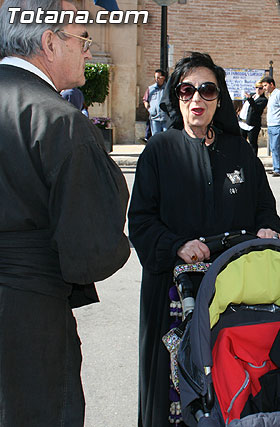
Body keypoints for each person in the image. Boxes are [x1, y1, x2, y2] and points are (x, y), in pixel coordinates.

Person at [128, 52, 280, 427]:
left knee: (230, 390)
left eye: (207, 90)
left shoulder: (241, 153)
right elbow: (141, 221)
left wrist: (268, 228)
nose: (196, 99)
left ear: (219, 98)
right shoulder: (158, 152)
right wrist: (177, 246)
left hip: (233, 292)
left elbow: (265, 207)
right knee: (173, 397)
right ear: (175, 97)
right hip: (173, 291)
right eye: (186, 90)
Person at [0, 1, 131, 425]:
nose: (89, 52)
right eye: (83, 39)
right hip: (27, 319)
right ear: (49, 43)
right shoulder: (58, 120)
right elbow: (90, 251)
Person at [262, 76, 280, 176]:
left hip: (278, 124)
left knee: (276, 147)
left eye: (265, 85)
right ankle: (275, 167)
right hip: (271, 124)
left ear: (271, 84)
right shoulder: (271, 95)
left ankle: (278, 169)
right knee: (273, 148)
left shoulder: (279, 94)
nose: (264, 88)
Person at [239, 80, 268, 155]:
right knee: (241, 142)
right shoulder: (252, 95)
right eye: (257, 88)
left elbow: (256, 108)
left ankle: (253, 160)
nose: (258, 90)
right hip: (242, 123)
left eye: (260, 88)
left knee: (252, 143)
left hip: (252, 124)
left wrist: (250, 99)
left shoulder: (263, 100)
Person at [144, 68, 168, 135]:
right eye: (155, 77)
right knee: (156, 137)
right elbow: (145, 100)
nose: (156, 79)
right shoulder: (150, 89)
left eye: (158, 77)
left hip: (166, 118)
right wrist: (149, 109)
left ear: (163, 78)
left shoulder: (167, 89)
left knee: (166, 137)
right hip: (154, 118)